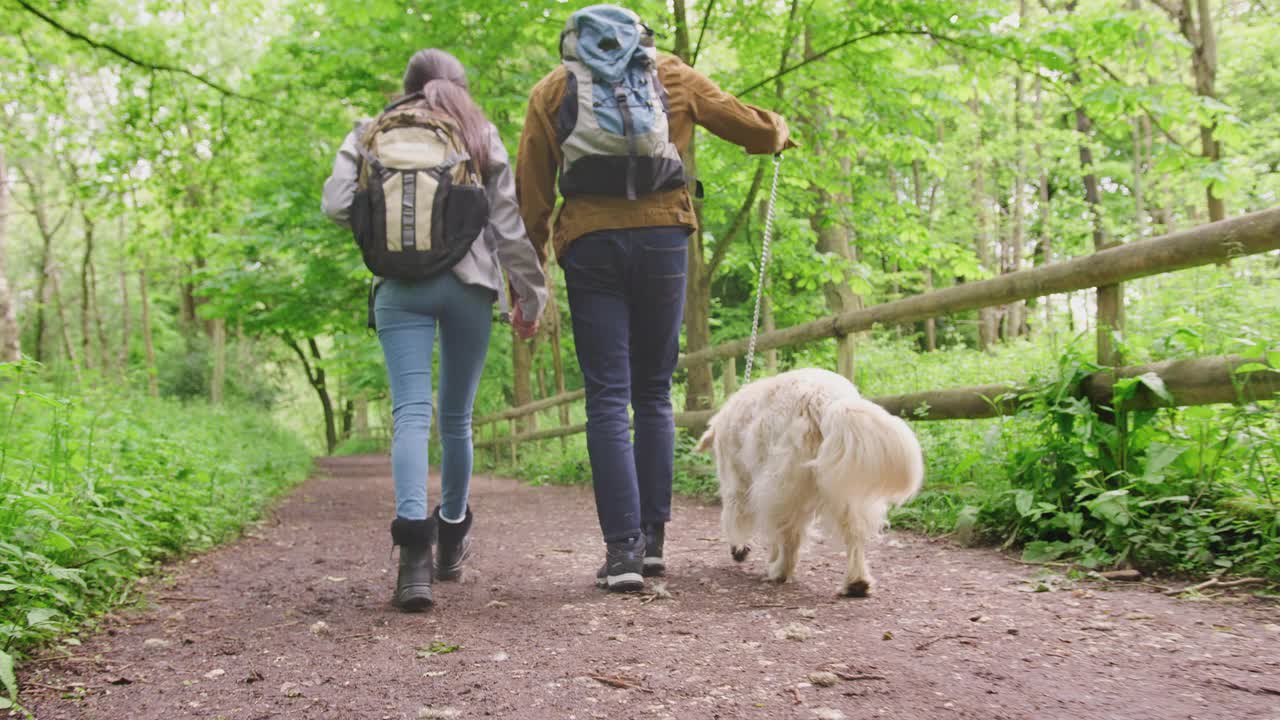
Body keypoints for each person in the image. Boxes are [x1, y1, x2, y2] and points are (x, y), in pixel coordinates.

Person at [516, 5, 794, 591]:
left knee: (608, 398)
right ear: (640, 39)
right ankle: (654, 544)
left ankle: (622, 553)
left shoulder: (552, 90)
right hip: (664, 235)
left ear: (574, 43)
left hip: (589, 242)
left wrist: (528, 282)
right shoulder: (670, 73)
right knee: (653, 392)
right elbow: (752, 128)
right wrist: (778, 131)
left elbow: (533, 197)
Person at [323, 49, 547, 611]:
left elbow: (334, 205)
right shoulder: (477, 131)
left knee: (411, 416)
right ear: (459, 87)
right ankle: (450, 540)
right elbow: (507, 222)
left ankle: (413, 564)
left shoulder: (369, 131)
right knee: (456, 420)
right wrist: (531, 293)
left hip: (400, 286)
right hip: (470, 286)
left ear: (407, 86)